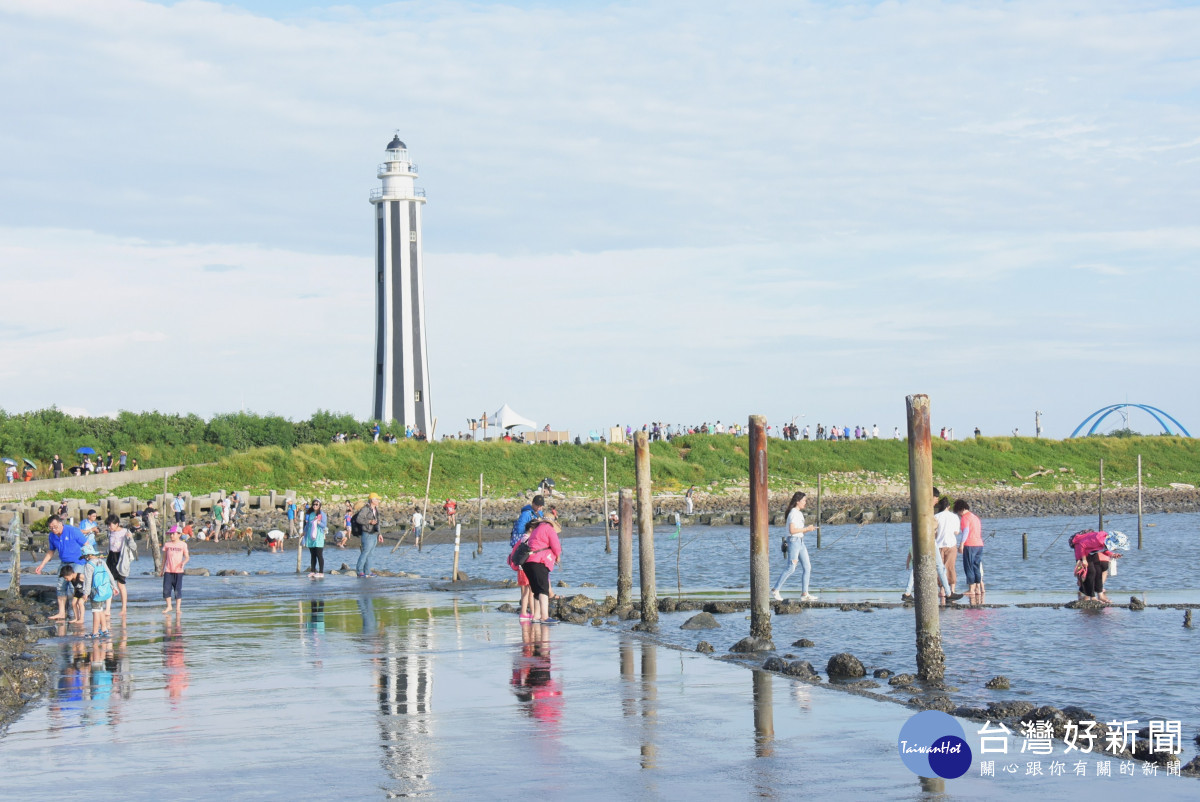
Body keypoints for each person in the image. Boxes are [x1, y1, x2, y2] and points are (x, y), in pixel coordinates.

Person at [36, 516, 91, 622]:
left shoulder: (73, 531)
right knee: (60, 586)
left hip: (78, 561)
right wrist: (42, 565)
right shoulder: (52, 536)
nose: (53, 529)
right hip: (64, 562)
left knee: (74, 586)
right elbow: (51, 551)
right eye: (50, 527)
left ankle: (80, 615)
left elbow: (87, 544)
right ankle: (61, 613)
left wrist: (91, 561)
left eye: (55, 527)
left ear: (61, 523)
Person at [772, 491, 817, 602]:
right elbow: (792, 531)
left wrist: (809, 529)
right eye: (804, 501)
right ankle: (775, 590)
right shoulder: (793, 513)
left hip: (800, 541)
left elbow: (798, 531)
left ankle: (804, 594)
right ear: (798, 501)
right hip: (793, 542)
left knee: (807, 567)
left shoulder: (799, 513)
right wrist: (806, 529)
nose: (805, 503)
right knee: (791, 567)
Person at [520, 520, 563, 624]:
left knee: (536, 590)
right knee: (544, 590)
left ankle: (536, 616)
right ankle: (545, 617)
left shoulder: (536, 529)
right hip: (538, 562)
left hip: (527, 563)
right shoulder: (549, 529)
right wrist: (557, 556)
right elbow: (556, 546)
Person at [510, 495, 545, 616]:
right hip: (524, 553)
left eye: (541, 506)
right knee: (526, 588)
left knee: (529, 589)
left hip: (529, 552)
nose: (539, 507)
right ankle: (526, 611)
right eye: (537, 505)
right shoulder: (526, 514)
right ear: (533, 503)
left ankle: (530, 611)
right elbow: (520, 529)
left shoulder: (539, 512)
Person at [1070, 530, 1124, 603]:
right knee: (1091, 572)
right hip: (1080, 549)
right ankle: (1092, 597)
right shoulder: (1098, 539)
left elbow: (1102, 549)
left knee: (1098, 571)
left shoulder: (1105, 541)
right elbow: (1082, 545)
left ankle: (1100, 595)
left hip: (1091, 551)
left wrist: (1112, 555)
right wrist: (1084, 559)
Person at [77, 545, 114, 638]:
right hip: (104, 590)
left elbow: (88, 580)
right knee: (100, 609)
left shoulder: (89, 565)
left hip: (96, 591)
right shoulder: (101, 561)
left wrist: (86, 593)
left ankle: (95, 632)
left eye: (84, 557)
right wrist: (114, 586)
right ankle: (104, 630)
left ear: (87, 556)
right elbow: (110, 574)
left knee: (95, 611)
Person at [105, 514, 135, 615]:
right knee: (109, 583)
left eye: (111, 525)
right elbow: (109, 547)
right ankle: (107, 609)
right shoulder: (110, 532)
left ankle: (124, 608)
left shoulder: (125, 532)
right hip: (111, 558)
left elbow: (134, 547)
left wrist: (130, 538)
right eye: (108, 525)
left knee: (120, 584)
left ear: (117, 524)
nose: (109, 527)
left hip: (122, 559)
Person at [955, 500, 985, 599]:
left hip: (970, 544)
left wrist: (961, 544)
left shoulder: (965, 518)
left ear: (960, 510)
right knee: (976, 566)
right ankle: (978, 589)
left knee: (969, 566)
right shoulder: (975, 517)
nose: (959, 515)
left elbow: (966, 531)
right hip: (979, 544)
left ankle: (971, 589)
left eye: (958, 512)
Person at [933, 496, 960, 596]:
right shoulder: (954, 517)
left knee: (940, 568)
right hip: (951, 544)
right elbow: (956, 532)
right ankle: (952, 589)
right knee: (950, 567)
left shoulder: (936, 516)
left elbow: (934, 532)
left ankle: (942, 590)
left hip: (939, 544)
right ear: (948, 506)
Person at [354, 493, 383, 578]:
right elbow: (359, 519)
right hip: (367, 534)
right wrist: (369, 521)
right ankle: (359, 571)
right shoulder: (365, 509)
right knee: (365, 552)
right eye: (377, 499)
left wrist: (379, 534)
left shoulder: (375, 509)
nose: (378, 501)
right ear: (372, 500)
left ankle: (367, 571)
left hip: (374, 533)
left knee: (371, 553)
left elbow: (378, 523)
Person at [162, 525, 190, 613]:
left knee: (177, 590)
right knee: (166, 589)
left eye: (173, 534)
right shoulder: (167, 544)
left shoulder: (183, 544)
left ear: (179, 534)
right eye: (170, 534)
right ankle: (169, 606)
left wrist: (183, 562)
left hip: (178, 571)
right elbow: (164, 558)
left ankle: (178, 608)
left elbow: (187, 557)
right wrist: (161, 570)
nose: (171, 536)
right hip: (168, 571)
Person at [303, 499, 327, 578]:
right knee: (312, 554)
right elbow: (307, 525)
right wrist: (304, 532)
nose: (315, 506)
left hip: (319, 536)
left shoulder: (322, 514)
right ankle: (313, 571)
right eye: (314, 504)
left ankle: (321, 572)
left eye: (317, 504)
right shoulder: (310, 514)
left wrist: (318, 522)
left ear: (320, 505)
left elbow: (324, 525)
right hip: (311, 536)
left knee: (319, 554)